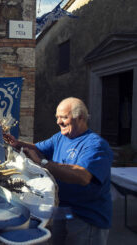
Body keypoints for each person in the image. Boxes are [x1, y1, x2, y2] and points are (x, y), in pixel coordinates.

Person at [8, 97, 113, 245]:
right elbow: (36, 148)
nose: (58, 122)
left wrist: (43, 163)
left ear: (81, 118)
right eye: (57, 117)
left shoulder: (96, 145)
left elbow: (83, 176)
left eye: (64, 117)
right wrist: (16, 143)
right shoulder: (60, 138)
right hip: (62, 212)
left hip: (86, 217)